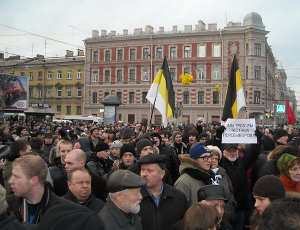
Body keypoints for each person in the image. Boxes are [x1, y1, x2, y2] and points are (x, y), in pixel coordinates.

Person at [7, 154, 69, 224]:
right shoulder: (7, 206)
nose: (10, 181)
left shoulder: (62, 212)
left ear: (34, 180)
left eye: (16, 176)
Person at [139, 154, 188, 230]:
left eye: (150, 170)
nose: (144, 174)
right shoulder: (134, 198)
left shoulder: (178, 197)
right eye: (142, 170)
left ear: (162, 174)